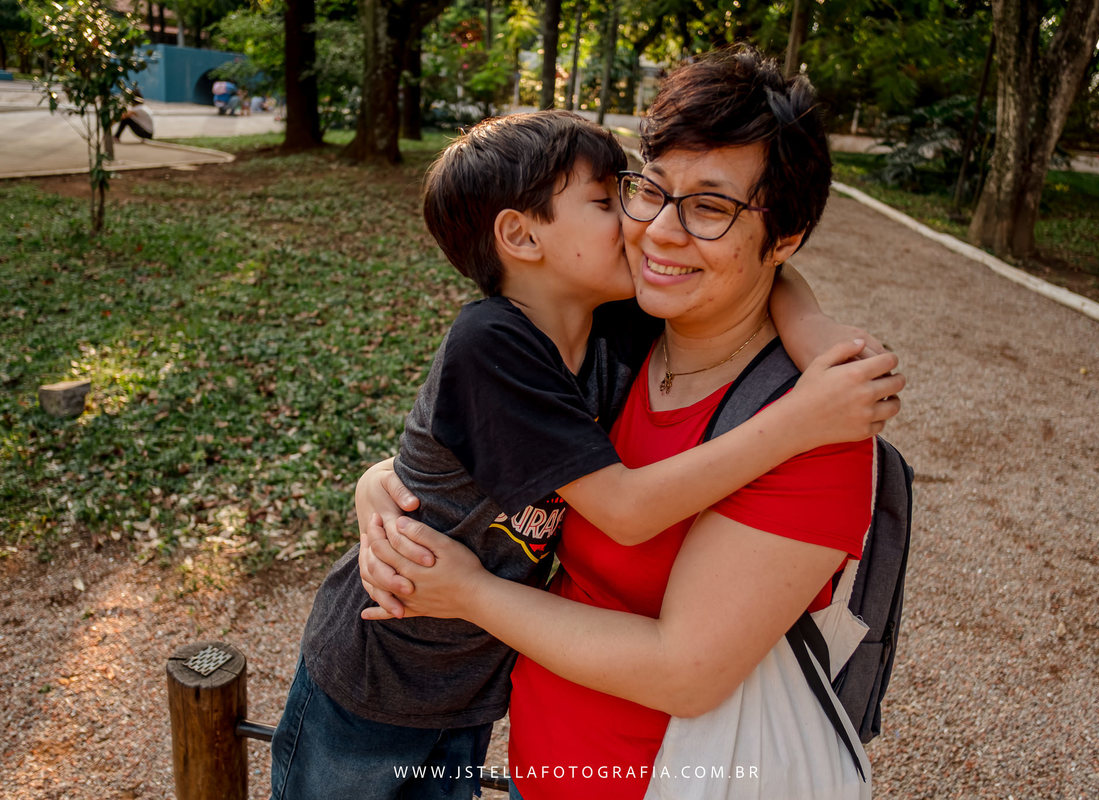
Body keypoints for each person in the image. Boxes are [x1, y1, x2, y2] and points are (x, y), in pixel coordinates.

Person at [271, 110, 901, 800]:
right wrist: (799, 419)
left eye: (706, 206)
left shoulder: (612, 323)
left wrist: (812, 331)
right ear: (520, 235)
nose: (651, 230)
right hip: (375, 666)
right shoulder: (493, 343)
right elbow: (626, 510)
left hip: (471, 685)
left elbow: (764, 270)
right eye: (623, 198)